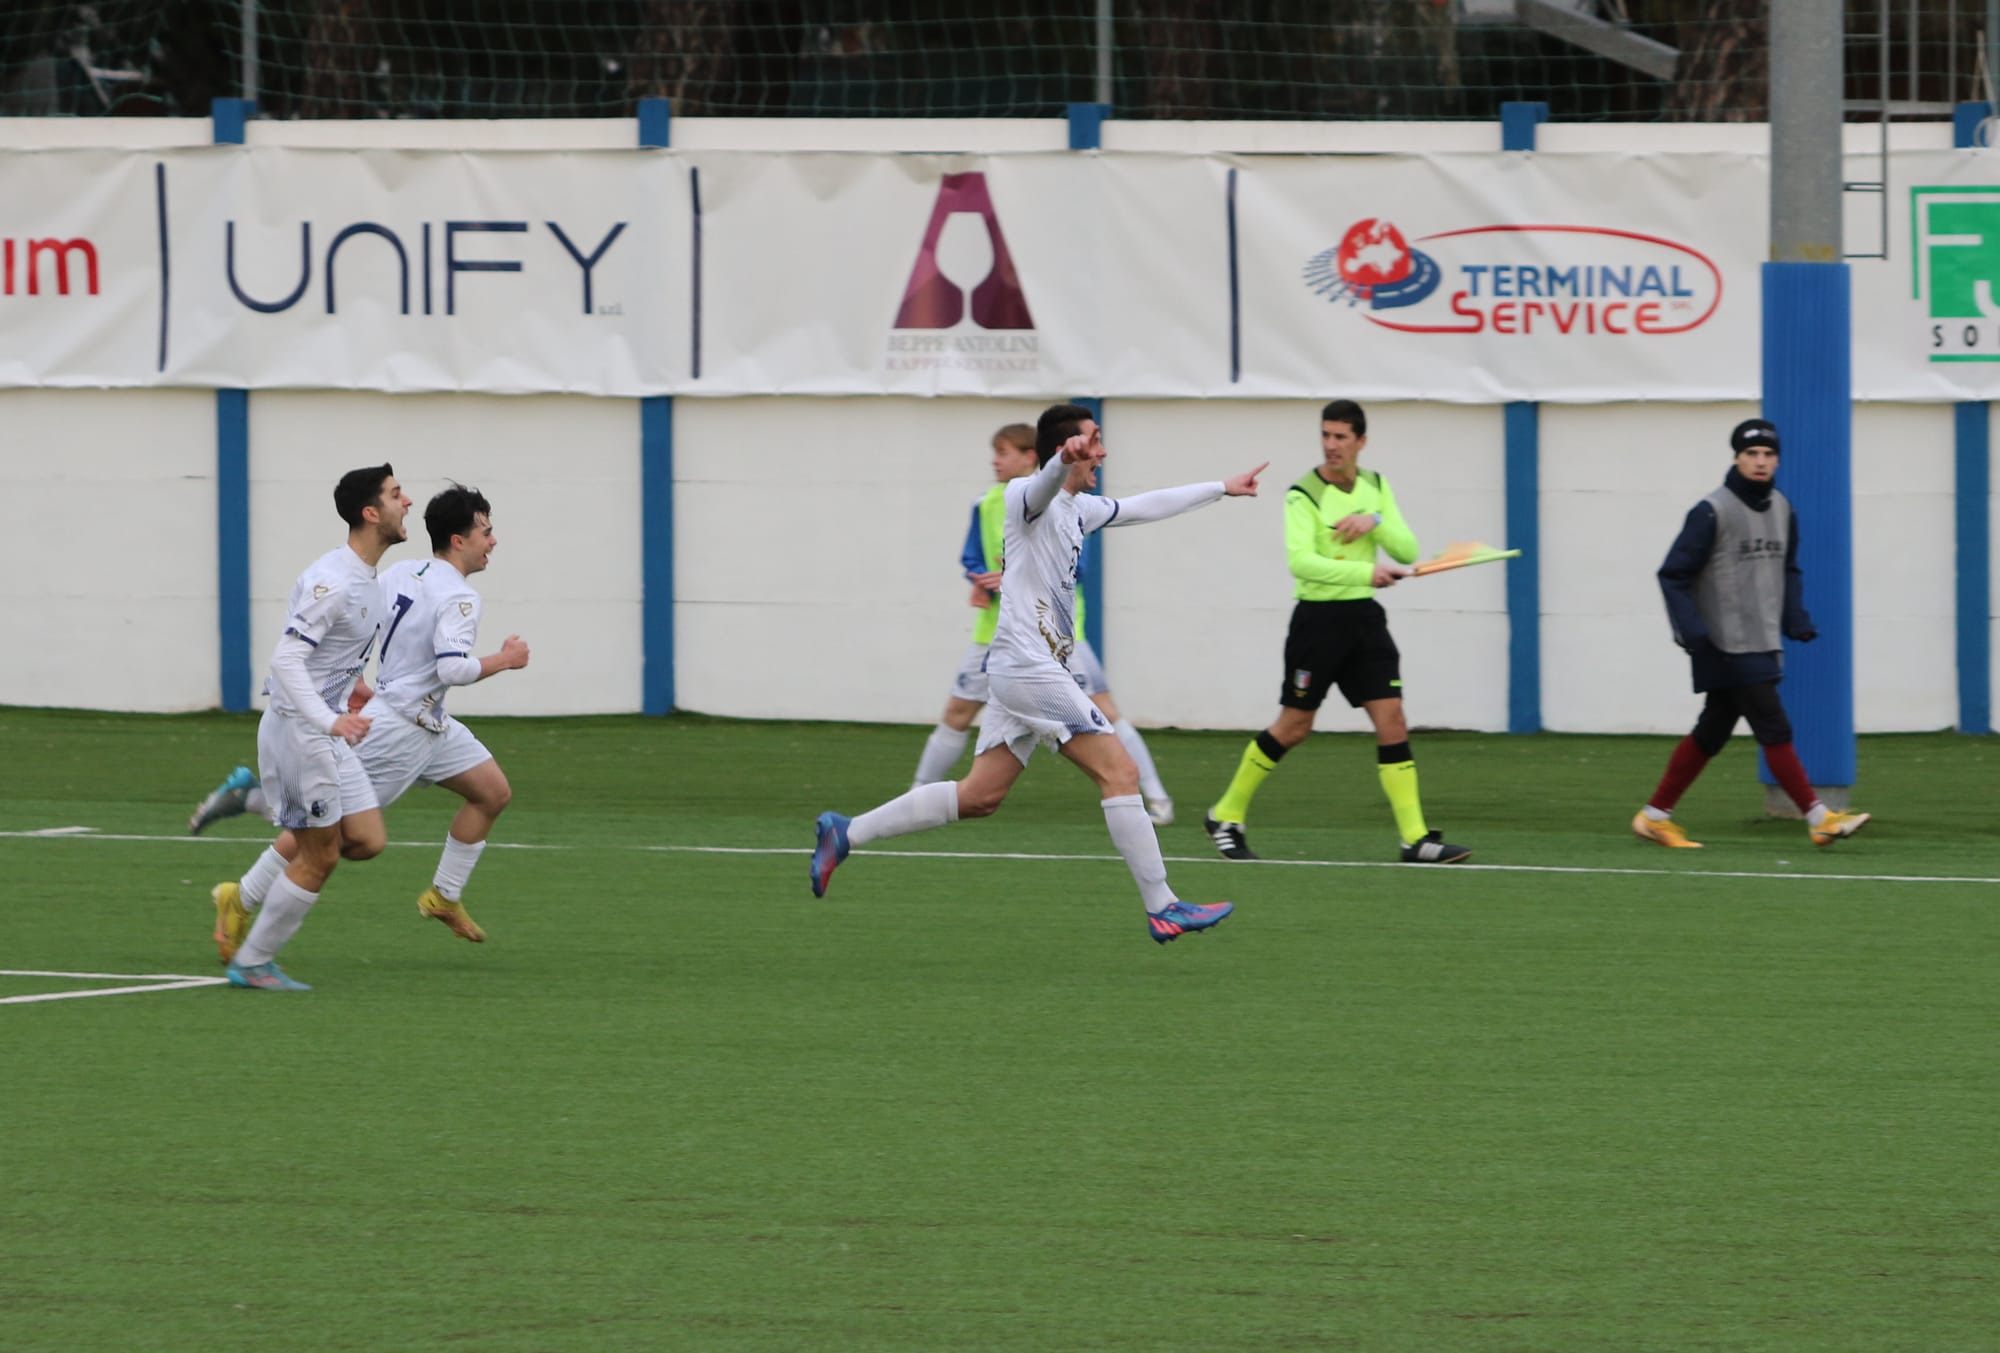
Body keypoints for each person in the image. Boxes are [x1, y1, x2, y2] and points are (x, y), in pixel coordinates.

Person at [813, 403, 1266, 944]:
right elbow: (1044, 484)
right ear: (1064, 450)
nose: (1101, 450)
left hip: (1024, 670)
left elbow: (1145, 506)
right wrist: (1058, 463)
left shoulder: (1080, 508)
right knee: (1118, 774)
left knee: (980, 796)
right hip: (1030, 670)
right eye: (1093, 441)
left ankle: (846, 833)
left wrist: (1222, 486)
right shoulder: (1025, 498)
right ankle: (1163, 906)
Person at [202, 483, 530, 955]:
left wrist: (354, 679)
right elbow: (452, 668)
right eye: (486, 532)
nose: (493, 541)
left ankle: (443, 896)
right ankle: (243, 887)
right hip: (399, 727)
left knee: (493, 792)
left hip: (427, 720)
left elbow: (363, 627)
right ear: (458, 541)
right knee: (327, 830)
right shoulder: (461, 598)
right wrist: (506, 658)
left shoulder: (400, 572)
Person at [1203, 399, 1470, 865]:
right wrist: (1365, 574)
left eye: (1341, 437)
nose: (1331, 446)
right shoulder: (1301, 494)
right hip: (1317, 623)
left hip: (1365, 622)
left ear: (1360, 442)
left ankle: (1416, 839)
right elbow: (1300, 562)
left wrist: (1377, 521)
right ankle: (1226, 815)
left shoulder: (1376, 486)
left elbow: (1407, 549)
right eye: (1326, 436)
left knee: (1392, 720)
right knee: (1294, 727)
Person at [910, 422, 1175, 824]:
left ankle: (1156, 798)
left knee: (1106, 714)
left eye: (1003, 452)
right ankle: (917, 797)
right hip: (994, 637)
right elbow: (971, 558)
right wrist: (979, 580)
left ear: (1031, 456)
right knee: (957, 716)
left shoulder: (1063, 504)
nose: (995, 461)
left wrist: (1012, 575)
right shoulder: (986, 503)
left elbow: (1074, 566)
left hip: (1056, 638)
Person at [210, 464, 411, 991]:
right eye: (395, 495)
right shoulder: (334, 582)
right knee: (319, 855)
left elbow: (328, 657)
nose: (406, 502)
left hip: (326, 729)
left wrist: (354, 689)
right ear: (371, 513)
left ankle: (256, 800)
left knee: (365, 839)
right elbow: (286, 662)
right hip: (304, 733)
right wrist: (330, 717)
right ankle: (252, 963)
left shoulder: (365, 579)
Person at [1631, 417, 1870, 849]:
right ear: (1737, 458)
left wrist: (1795, 617)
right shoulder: (1710, 511)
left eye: (1768, 455)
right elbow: (1672, 574)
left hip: (1762, 640)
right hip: (1722, 643)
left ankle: (1653, 816)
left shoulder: (1783, 507)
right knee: (1773, 726)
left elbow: (1788, 568)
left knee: (1712, 732)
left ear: (1777, 460)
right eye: (1751, 454)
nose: (1760, 462)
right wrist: (1692, 633)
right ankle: (1818, 817)